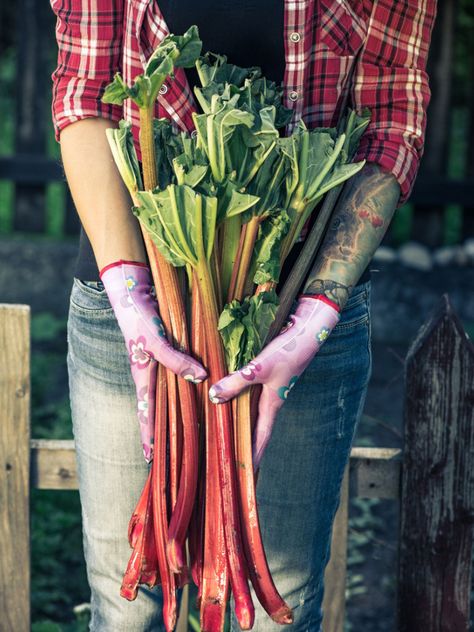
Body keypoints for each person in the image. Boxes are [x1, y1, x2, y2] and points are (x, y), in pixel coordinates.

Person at [49, 1, 437, 630]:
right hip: (129, 280)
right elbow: (85, 89)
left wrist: (315, 315)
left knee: (273, 608)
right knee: (129, 613)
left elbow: (391, 114)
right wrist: (128, 293)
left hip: (307, 302)